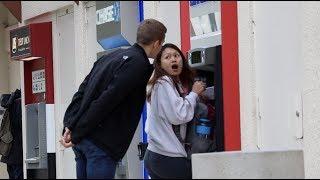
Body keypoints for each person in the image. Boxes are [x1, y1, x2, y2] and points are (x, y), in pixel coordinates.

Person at [59, 19, 167, 179]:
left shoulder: (110, 57)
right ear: (157, 43)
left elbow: (82, 91)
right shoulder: (138, 64)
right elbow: (107, 100)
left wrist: (70, 125)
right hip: (100, 145)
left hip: (83, 142)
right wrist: (77, 133)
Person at [144, 43, 206, 179]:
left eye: (176, 56)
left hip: (156, 155)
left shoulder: (172, 84)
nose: (173, 59)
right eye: (167, 57)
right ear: (159, 64)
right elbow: (179, 114)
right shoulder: (163, 82)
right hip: (167, 156)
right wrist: (194, 94)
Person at [0, 90, 23, 179]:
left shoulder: (6, 105)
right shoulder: (19, 104)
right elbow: (21, 125)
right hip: (18, 152)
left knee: (12, 175)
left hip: (7, 150)